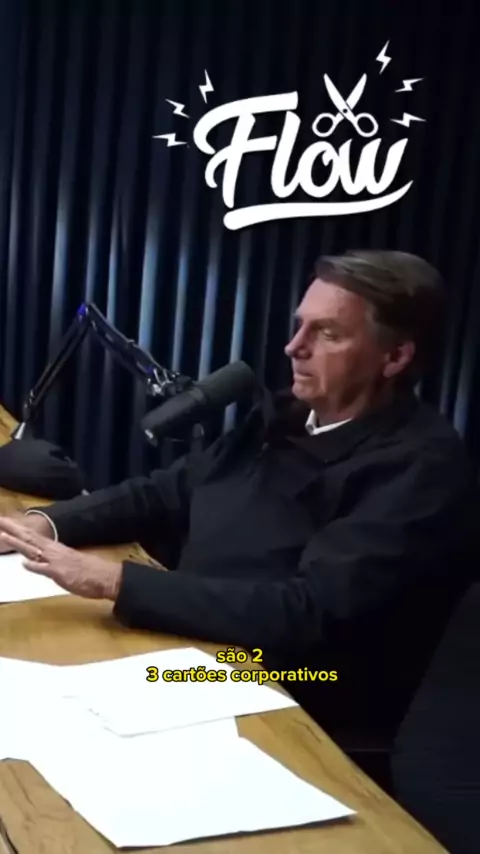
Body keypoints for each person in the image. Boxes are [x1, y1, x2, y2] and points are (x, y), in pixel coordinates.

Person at [0, 249, 476, 744]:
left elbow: (308, 613)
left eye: (328, 334)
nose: (294, 347)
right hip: (197, 643)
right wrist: (41, 524)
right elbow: (167, 490)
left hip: (292, 681)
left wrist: (115, 581)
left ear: (395, 357)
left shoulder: (421, 469)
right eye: (300, 326)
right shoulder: (287, 415)